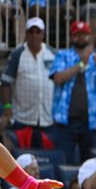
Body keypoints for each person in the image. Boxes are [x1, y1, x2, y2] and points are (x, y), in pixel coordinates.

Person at [50, 20, 96, 164]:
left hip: (91, 122)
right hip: (65, 121)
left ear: (90, 36)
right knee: (64, 162)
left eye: (84, 34)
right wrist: (82, 64)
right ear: (71, 37)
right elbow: (58, 78)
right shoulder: (62, 55)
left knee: (91, 164)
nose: (81, 38)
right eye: (77, 35)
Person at [0, 18, 56, 150]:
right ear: (26, 33)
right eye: (31, 32)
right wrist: (7, 108)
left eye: (38, 32)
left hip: (47, 118)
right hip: (22, 119)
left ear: (43, 34)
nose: (34, 35)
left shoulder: (52, 53)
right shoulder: (17, 54)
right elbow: (6, 82)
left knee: (44, 161)